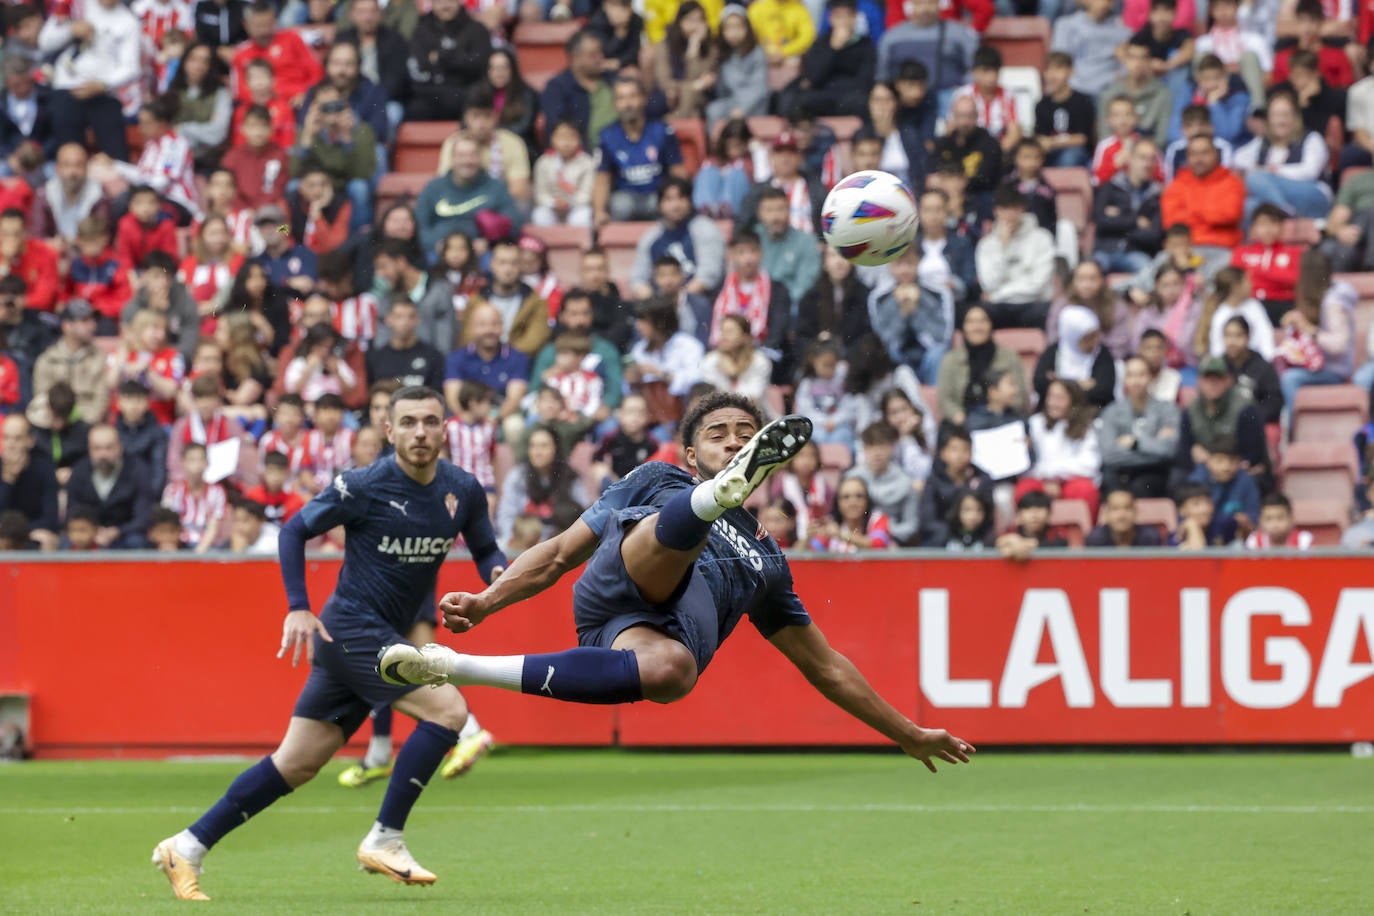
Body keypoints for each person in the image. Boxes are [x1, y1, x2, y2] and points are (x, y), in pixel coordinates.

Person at [378, 394, 974, 773]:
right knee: (675, 527)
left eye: (747, 434)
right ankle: (709, 502)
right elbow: (560, 553)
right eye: (720, 434)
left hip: (652, 634)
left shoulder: (769, 562)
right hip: (620, 577)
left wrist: (909, 733)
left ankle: (450, 666)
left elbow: (828, 667)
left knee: (674, 675)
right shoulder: (657, 474)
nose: (736, 439)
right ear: (692, 453)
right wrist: (487, 600)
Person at [151, 387, 508, 900]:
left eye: (430, 421)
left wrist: (499, 582)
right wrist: (298, 605)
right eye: (407, 423)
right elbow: (293, 531)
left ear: (445, 427)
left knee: (294, 764)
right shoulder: (363, 485)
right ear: (389, 431)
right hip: (352, 631)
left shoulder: (462, 490)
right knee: (447, 710)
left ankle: (186, 847)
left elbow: (487, 547)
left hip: (373, 638)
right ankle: (386, 838)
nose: (421, 433)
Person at [38, 0, 141, 163]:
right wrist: (70, 30)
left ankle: (119, 187)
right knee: (68, 153)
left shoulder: (128, 21)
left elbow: (131, 67)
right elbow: (44, 42)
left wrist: (104, 84)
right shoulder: (75, 5)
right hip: (67, 86)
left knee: (116, 156)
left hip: (104, 91)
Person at [416, 135, 523, 258]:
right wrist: (436, 244)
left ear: (481, 157)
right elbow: (419, 226)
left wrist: (489, 243)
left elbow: (514, 225)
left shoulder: (497, 187)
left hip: (481, 256)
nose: (467, 161)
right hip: (439, 254)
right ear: (452, 158)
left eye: (473, 155)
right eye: (461, 155)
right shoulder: (433, 187)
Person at [1233, 90, 1332, 223]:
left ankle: (1283, 213)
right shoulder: (1263, 142)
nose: (1281, 121)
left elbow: (1310, 172)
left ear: (1295, 117)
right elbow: (1237, 158)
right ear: (1268, 119)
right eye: (1276, 115)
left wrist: (1273, 171)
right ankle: (1281, 214)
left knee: (1255, 177)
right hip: (1279, 196)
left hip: (1313, 192)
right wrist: (1261, 171)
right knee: (1249, 205)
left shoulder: (1312, 138)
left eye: (1285, 115)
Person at [1175, 355, 1271, 491]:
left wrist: (1215, 461)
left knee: (1253, 478)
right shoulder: (1190, 410)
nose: (1212, 383)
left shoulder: (1246, 409)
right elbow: (1184, 452)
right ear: (1199, 381)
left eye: (1218, 379)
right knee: (1178, 478)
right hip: (1204, 470)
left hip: (1238, 469)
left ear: (1228, 381)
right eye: (1207, 379)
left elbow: (1252, 455)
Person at [1275, 249, 1355, 407]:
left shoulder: (1334, 303)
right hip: (1315, 365)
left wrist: (1308, 329)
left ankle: (1294, 428)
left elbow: (1339, 345)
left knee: (1290, 378)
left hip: (1334, 369)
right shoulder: (1319, 296)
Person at [630, 177, 726, 300]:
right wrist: (654, 301)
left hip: (700, 301)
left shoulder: (705, 229)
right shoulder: (650, 237)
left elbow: (709, 276)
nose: (675, 205)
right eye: (668, 199)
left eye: (681, 198)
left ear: (690, 201)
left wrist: (679, 301)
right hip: (662, 305)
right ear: (659, 204)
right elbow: (638, 279)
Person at [1098, 355, 1180, 498]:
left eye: (1141, 375)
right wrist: (1153, 445)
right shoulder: (1111, 412)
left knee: (1144, 486)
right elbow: (1108, 454)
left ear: (1151, 377)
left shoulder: (1167, 410)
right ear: (1124, 380)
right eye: (1130, 375)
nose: (1136, 381)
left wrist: (1135, 442)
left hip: (1154, 472)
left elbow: (1170, 449)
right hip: (1120, 471)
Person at [974, 186, 1055, 330]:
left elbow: (1038, 284)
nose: (1009, 214)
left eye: (1014, 208)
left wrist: (999, 294)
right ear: (995, 211)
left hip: (1033, 305)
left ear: (1022, 209)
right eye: (1004, 209)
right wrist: (1003, 248)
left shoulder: (1042, 238)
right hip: (999, 308)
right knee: (979, 312)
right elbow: (989, 284)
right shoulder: (986, 244)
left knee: (1048, 311)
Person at [66, 424, 156, 549]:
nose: (103, 455)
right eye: (97, 448)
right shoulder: (79, 471)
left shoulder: (138, 470)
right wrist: (93, 532)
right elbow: (73, 510)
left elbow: (144, 516)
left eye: (109, 448)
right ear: (89, 449)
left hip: (125, 535)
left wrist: (118, 531)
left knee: (137, 541)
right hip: (88, 534)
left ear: (119, 447)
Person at [935, 305, 1027, 427]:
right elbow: (945, 399)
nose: (977, 327)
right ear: (963, 327)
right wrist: (960, 418)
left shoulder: (1009, 357)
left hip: (1004, 418)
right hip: (964, 422)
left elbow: (1020, 396)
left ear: (990, 325)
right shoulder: (951, 360)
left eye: (982, 321)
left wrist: (1000, 410)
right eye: (971, 322)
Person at [1161, 135, 1247, 263]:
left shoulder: (1231, 182)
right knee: (1159, 266)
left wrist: (1192, 211)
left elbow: (1230, 214)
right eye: (1193, 154)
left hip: (1221, 249)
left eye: (1204, 153)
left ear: (1216, 155)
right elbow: (1171, 221)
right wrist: (1210, 214)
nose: (1198, 159)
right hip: (1184, 249)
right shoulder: (1177, 185)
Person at [876, 0, 978, 104]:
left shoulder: (960, 34)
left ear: (940, 4)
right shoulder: (892, 38)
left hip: (950, 99)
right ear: (910, 5)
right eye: (919, 3)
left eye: (931, 2)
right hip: (903, 101)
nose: (925, 9)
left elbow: (975, 69)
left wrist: (962, 91)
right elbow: (882, 76)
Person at [1093, 138, 1164, 275]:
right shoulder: (1110, 187)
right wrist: (1136, 221)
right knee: (1089, 272)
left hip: (1137, 253)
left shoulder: (1157, 196)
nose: (1147, 164)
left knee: (1149, 273)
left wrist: (1119, 218)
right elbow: (1101, 223)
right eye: (1142, 158)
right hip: (1105, 251)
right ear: (1130, 159)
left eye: (1152, 159)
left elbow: (1153, 236)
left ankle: (1123, 290)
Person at [231, 0, 323, 106]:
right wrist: (269, 101)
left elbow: (316, 73)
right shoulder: (241, 54)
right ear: (246, 25)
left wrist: (307, 95)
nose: (264, 31)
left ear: (275, 21)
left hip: (300, 102)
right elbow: (239, 92)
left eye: (268, 25)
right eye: (258, 26)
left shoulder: (292, 38)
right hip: (262, 107)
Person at [32, 301, 109, 424]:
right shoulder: (48, 359)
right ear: (67, 326)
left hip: (88, 424)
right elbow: (41, 399)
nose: (92, 326)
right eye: (85, 321)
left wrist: (84, 423)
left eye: (93, 320)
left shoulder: (99, 359)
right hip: (54, 422)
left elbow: (101, 399)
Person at [1229, 203, 1303, 327]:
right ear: (1253, 228)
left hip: (1282, 304)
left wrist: (1256, 272)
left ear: (1281, 227)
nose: (1268, 229)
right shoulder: (1242, 252)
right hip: (1249, 302)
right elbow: (1234, 279)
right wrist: (1275, 277)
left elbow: (1294, 279)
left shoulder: (1294, 252)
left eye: (1273, 223)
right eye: (1263, 224)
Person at [541, 30, 614, 149]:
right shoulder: (557, 88)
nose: (600, 58)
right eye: (593, 55)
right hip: (580, 156)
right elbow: (558, 128)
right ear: (575, 58)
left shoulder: (611, 79)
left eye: (600, 52)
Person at [1034, 305, 1117, 409]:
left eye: (1096, 335)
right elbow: (1040, 384)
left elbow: (1103, 391)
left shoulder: (1102, 354)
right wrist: (1080, 384)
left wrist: (1059, 381)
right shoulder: (1053, 352)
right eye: (1088, 338)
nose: (1095, 342)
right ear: (1072, 336)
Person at [1051, 0, 1132, 100]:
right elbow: (1059, 62)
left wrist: (1122, 69)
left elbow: (1129, 66)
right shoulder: (1065, 25)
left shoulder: (1123, 32)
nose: (1103, 3)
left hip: (1110, 90)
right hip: (1076, 88)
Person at [706, 6, 770, 131]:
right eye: (728, 28)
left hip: (754, 105)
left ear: (747, 28)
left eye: (738, 26)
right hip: (731, 102)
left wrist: (742, 108)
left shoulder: (756, 53)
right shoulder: (722, 53)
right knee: (713, 110)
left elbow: (759, 88)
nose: (733, 33)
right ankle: (714, 147)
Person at [0, 413, 59, 547]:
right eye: (6, 438)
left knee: (48, 540)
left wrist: (22, 532)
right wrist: (7, 481)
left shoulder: (44, 468)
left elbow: (51, 518)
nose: (10, 445)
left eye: (17, 439)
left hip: (31, 533)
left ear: (30, 440)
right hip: (2, 533)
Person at [531, 119, 595, 228]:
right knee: (540, 216)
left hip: (577, 206)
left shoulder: (587, 162)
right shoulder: (544, 162)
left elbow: (587, 193)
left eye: (571, 137)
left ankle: (578, 245)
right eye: (561, 137)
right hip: (551, 207)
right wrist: (553, 203)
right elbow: (540, 193)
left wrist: (568, 204)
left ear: (579, 139)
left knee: (582, 218)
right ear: (552, 139)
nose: (566, 143)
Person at [1036, 52, 1096, 168]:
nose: (1053, 75)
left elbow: (1082, 138)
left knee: (1069, 157)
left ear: (1071, 71)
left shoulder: (1082, 101)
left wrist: (1053, 142)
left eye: (1058, 69)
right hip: (1050, 153)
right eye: (1048, 69)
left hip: (1077, 153)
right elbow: (1040, 136)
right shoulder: (1041, 104)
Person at [1222, 316, 1283, 425]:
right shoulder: (1218, 366)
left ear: (1248, 337)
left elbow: (1274, 404)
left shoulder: (1263, 367)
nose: (1232, 341)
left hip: (1252, 426)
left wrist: (1250, 419)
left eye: (1238, 336)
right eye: (1228, 335)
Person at [807, 475, 894, 551]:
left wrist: (841, 535)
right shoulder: (831, 527)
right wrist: (807, 538)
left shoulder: (878, 519)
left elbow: (878, 544)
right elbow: (811, 552)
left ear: (867, 501)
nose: (853, 503)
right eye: (846, 497)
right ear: (838, 503)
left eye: (859, 496)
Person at [701, 315, 773, 407]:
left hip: (756, 414)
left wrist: (732, 375)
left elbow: (753, 397)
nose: (723, 336)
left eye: (730, 332)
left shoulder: (760, 361)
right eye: (722, 331)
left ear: (745, 337)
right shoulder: (711, 360)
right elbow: (711, 397)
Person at [996, 489, 1069, 561]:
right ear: (1019, 515)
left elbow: (1062, 544)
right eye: (1028, 509)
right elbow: (997, 543)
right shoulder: (1012, 531)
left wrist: (1027, 544)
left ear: (1049, 514)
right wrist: (1009, 541)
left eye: (1039, 508)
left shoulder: (1055, 532)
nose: (1034, 515)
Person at [1086, 487, 1165, 547]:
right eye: (1115, 509)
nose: (1122, 515)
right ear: (1106, 513)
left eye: (1127, 508)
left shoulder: (1150, 538)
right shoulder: (1095, 540)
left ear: (1135, 511)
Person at [1244, 492, 1313, 549]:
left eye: (1280, 518)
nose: (1275, 524)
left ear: (1291, 519)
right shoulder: (1254, 541)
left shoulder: (1303, 539)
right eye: (1268, 519)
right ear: (1261, 521)